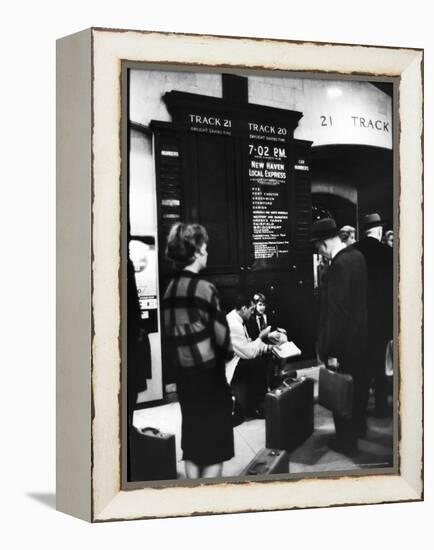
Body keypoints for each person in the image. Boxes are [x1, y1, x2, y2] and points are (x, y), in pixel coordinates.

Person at [162, 223, 234, 479]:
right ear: (195, 251)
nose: (206, 252)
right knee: (215, 449)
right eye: (204, 247)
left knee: (193, 444)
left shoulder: (169, 290)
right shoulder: (204, 289)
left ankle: (192, 494)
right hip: (210, 379)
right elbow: (223, 339)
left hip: (185, 378)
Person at [312, 217, 369, 454]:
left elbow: (336, 315)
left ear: (325, 244)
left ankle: (346, 442)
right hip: (360, 340)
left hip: (343, 345)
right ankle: (357, 429)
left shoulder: (338, 266)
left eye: (318, 248)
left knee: (341, 392)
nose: (320, 253)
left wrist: (331, 351)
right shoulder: (357, 257)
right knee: (356, 390)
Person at [354, 213, 393, 417]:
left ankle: (358, 410)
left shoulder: (354, 252)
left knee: (360, 366)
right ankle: (380, 406)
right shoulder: (388, 252)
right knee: (379, 364)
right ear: (379, 231)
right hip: (382, 320)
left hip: (359, 320)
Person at [226, 296, 274, 420]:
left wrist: (268, 348)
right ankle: (255, 407)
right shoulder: (234, 324)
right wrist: (261, 337)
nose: (252, 312)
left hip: (237, 356)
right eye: (251, 309)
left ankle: (266, 397)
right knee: (257, 363)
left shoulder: (236, 318)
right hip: (230, 364)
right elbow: (248, 352)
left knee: (264, 357)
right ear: (243, 309)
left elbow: (248, 343)